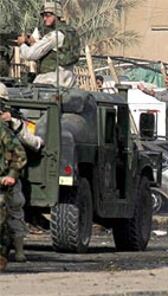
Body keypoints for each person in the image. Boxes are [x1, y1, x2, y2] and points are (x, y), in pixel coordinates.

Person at [0, 83, 43, 263]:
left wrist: (13, 123)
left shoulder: (12, 122)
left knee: (14, 210)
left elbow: (33, 143)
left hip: (9, 175)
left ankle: (18, 251)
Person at [17, 0, 80, 87]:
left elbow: (30, 54)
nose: (45, 18)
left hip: (49, 82)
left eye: (48, 15)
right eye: (43, 16)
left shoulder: (55, 35)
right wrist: (32, 42)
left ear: (56, 14)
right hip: (67, 83)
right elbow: (55, 51)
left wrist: (22, 44)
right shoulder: (69, 32)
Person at [0, 116, 27, 271]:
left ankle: (4, 254)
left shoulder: (2, 130)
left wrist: (12, 174)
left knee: (3, 221)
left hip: (2, 182)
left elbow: (19, 154)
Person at [139, 73, 168, 144]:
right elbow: (158, 94)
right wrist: (144, 90)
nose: (165, 81)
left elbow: (167, 99)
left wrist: (154, 94)